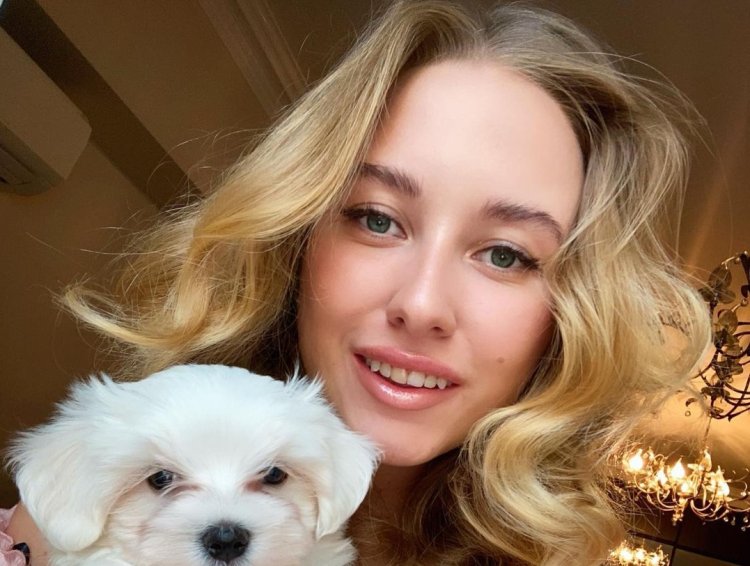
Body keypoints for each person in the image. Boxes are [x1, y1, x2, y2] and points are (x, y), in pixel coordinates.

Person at [4, 1, 710, 564]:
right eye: (377, 219)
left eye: (504, 255)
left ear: (572, 313)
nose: (422, 304)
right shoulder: (74, 516)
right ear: (297, 234)